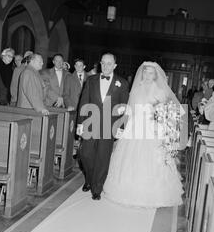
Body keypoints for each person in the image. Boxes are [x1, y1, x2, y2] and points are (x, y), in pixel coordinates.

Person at [103, 61, 188, 208]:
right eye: (145, 72)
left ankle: (154, 193)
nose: (147, 75)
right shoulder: (136, 89)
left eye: (151, 73)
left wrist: (164, 119)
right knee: (130, 158)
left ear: (156, 75)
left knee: (153, 159)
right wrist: (123, 125)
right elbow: (129, 110)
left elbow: (177, 110)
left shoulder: (161, 91)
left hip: (153, 129)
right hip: (135, 127)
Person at [77, 53, 130, 200]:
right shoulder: (91, 80)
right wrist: (80, 123)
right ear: (100, 64)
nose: (106, 66)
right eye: (104, 63)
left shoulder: (122, 83)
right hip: (90, 124)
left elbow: (125, 108)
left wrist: (121, 127)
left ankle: (97, 188)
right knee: (85, 154)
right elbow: (84, 102)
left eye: (109, 63)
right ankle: (89, 178)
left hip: (109, 126)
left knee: (102, 157)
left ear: (115, 65)